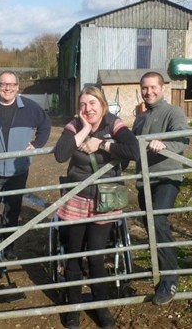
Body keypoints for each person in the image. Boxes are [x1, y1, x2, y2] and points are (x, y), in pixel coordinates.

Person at [54, 86, 139, 329]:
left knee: (96, 257)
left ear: (102, 104)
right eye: (83, 105)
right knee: (74, 256)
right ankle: (73, 309)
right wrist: (84, 131)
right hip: (78, 198)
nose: (88, 108)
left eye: (92, 103)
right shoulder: (74, 125)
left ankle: (101, 309)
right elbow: (61, 154)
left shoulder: (114, 124)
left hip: (105, 201)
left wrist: (101, 144)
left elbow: (133, 150)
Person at [131, 71, 189, 306]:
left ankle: (170, 278)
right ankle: (159, 267)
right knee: (150, 225)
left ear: (163, 88)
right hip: (145, 180)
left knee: (157, 221)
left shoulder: (173, 112)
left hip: (167, 178)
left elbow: (183, 137)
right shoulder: (140, 118)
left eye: (153, 87)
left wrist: (164, 143)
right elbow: (131, 147)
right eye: (145, 88)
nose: (149, 92)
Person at [0, 71, 51, 260]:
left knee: (12, 211)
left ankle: (9, 247)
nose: (7, 88)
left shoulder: (30, 108)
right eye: (4, 84)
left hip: (18, 170)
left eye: (11, 85)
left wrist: (36, 145)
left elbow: (45, 126)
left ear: (17, 87)